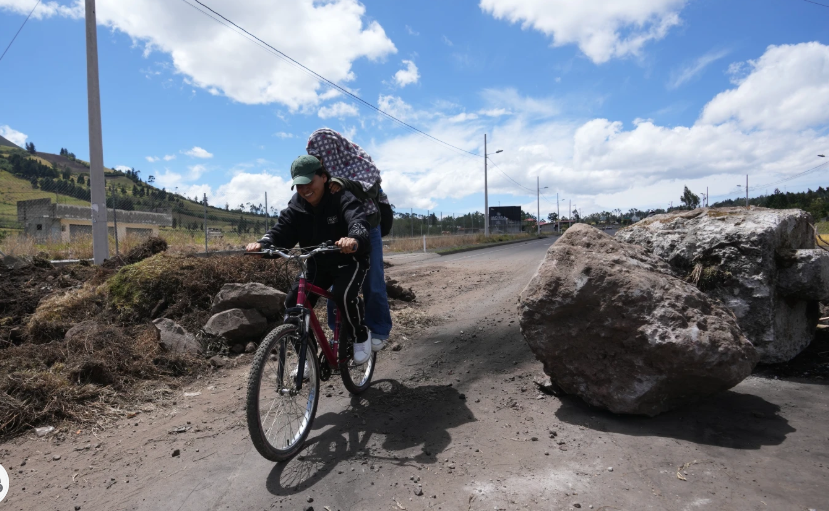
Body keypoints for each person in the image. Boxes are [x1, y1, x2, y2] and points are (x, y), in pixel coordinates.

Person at [245, 155, 373, 364]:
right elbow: (282, 231)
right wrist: (263, 244)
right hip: (317, 263)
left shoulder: (341, 197)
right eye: (299, 185)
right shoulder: (297, 205)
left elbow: (357, 220)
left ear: (323, 177)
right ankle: (307, 359)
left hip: (348, 260)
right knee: (293, 303)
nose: (305, 190)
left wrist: (354, 239)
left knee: (343, 294)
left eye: (309, 182)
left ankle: (360, 334)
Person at [306, 128, 393, 352]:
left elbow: (370, 189)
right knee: (338, 285)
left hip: (368, 227)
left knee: (372, 281)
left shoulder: (359, 162)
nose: (320, 159)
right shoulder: (319, 172)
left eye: (321, 153)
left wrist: (345, 183)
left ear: (334, 149)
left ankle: (380, 328)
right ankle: (339, 333)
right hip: (338, 232)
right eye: (314, 154)